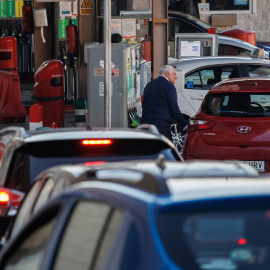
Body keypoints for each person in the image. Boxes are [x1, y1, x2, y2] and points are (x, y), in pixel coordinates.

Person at [141, 65, 188, 141]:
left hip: (146, 124)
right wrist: (184, 124)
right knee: (166, 149)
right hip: (161, 126)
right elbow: (174, 107)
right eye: (174, 74)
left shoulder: (149, 84)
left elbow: (144, 104)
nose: (176, 77)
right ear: (167, 73)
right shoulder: (169, 86)